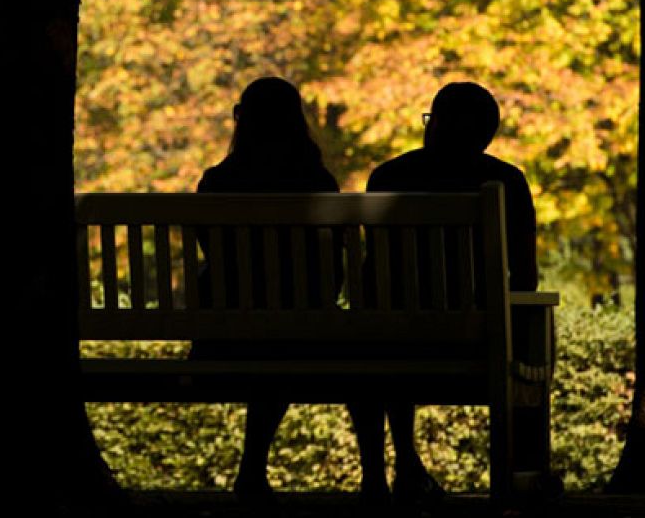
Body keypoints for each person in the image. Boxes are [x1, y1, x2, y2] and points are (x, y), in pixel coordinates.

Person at [357, 81, 539, 504]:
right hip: (472, 345)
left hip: (388, 343)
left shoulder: (387, 177)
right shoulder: (507, 182)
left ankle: (383, 475)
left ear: (433, 123)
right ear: (487, 133)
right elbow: (525, 277)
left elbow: (371, 274)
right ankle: (508, 476)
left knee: (379, 342)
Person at [191, 78, 367, 502]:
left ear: (240, 119)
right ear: (297, 122)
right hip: (304, 339)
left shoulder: (215, 182)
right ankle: (375, 479)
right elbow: (334, 271)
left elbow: (210, 259)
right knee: (349, 350)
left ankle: (251, 470)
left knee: (270, 342)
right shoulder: (319, 182)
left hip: (224, 340)